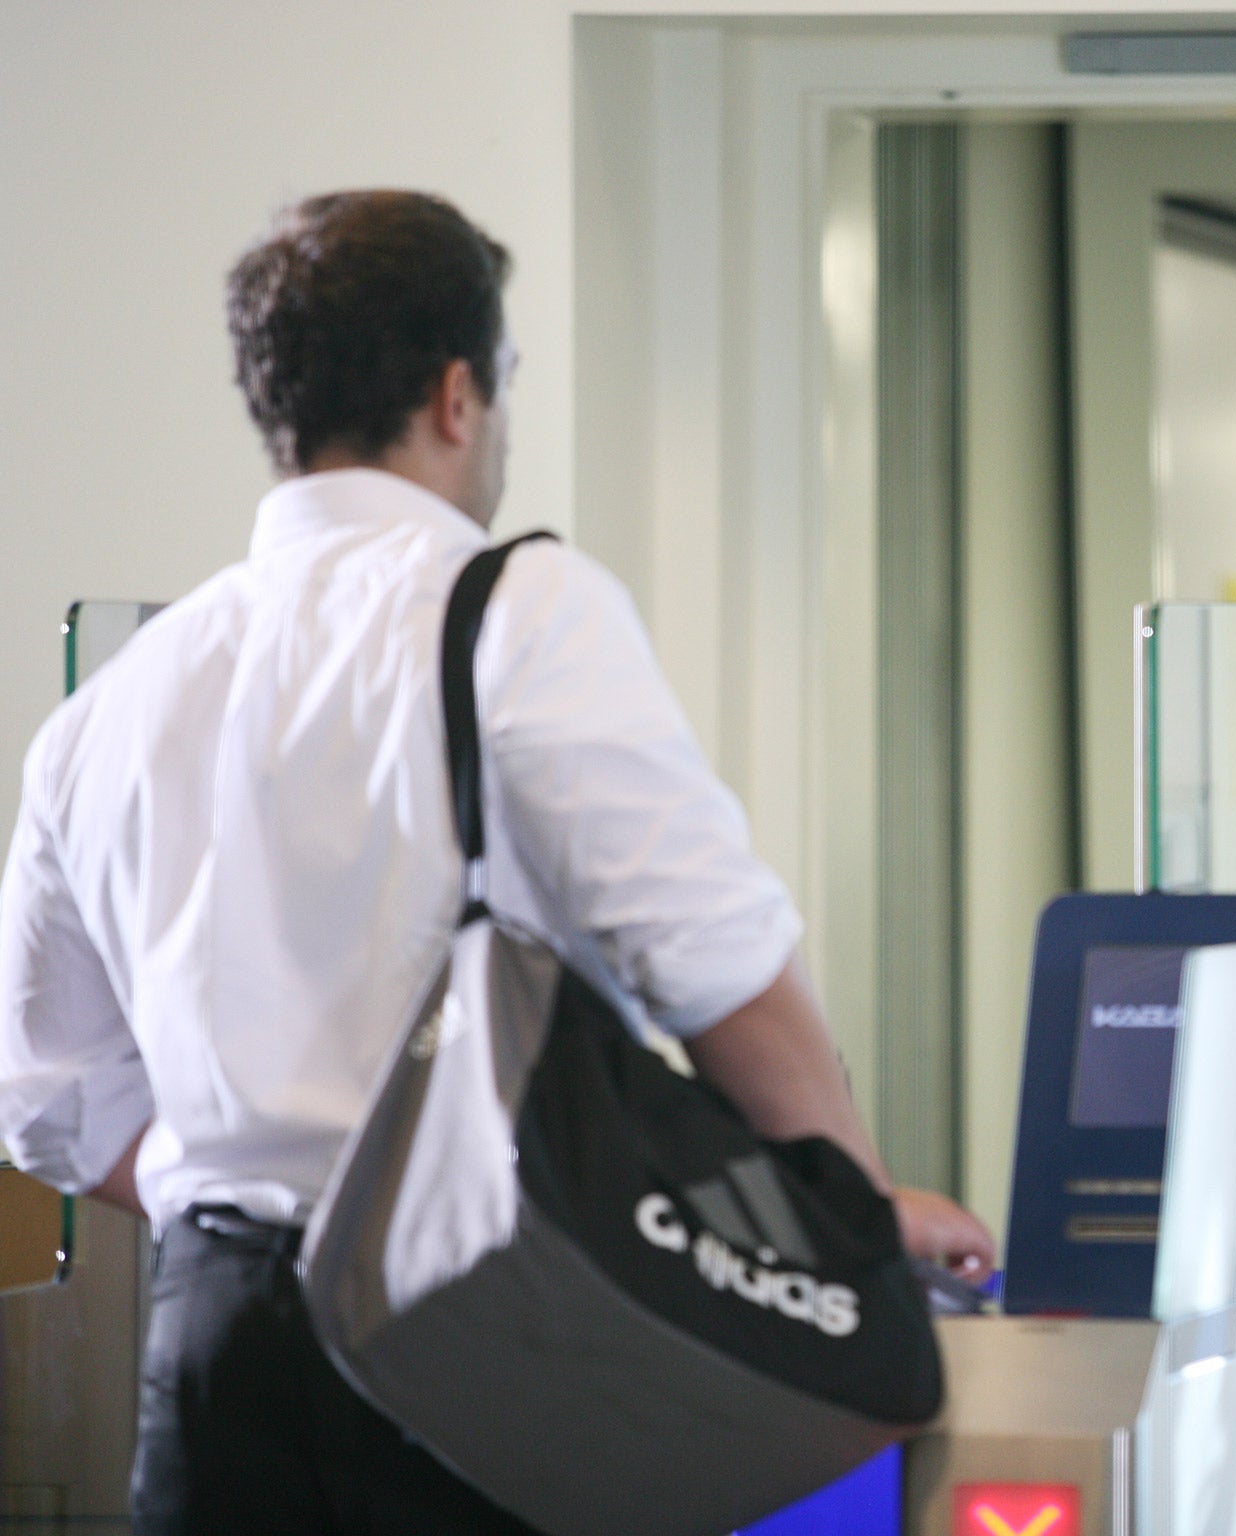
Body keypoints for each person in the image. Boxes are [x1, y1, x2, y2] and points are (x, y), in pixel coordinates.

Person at [0, 189, 994, 1535]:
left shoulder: (111, 706)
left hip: (212, 1354)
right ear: (460, 393)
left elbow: (50, 1101)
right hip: (478, 1327)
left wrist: (243, 1177)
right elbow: (722, 974)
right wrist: (853, 1229)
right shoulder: (521, 614)